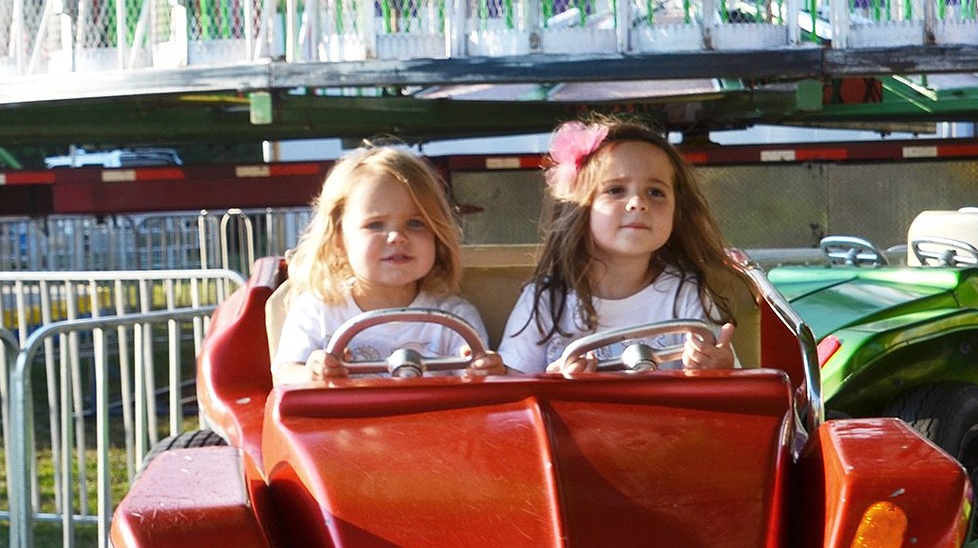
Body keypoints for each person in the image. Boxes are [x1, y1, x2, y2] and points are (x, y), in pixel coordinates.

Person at [498, 115, 740, 374]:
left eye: (656, 192)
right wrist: (553, 382)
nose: (637, 202)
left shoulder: (684, 293)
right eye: (615, 190)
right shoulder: (546, 299)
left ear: (677, 214)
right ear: (580, 207)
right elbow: (511, 388)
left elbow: (729, 393)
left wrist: (718, 368)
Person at [272, 143, 504, 383]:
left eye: (416, 223)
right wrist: (312, 373)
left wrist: (483, 369)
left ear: (437, 234)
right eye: (375, 225)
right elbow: (285, 373)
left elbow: (476, 387)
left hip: (433, 418)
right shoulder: (317, 310)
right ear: (339, 238)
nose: (397, 237)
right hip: (348, 419)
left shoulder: (454, 316)